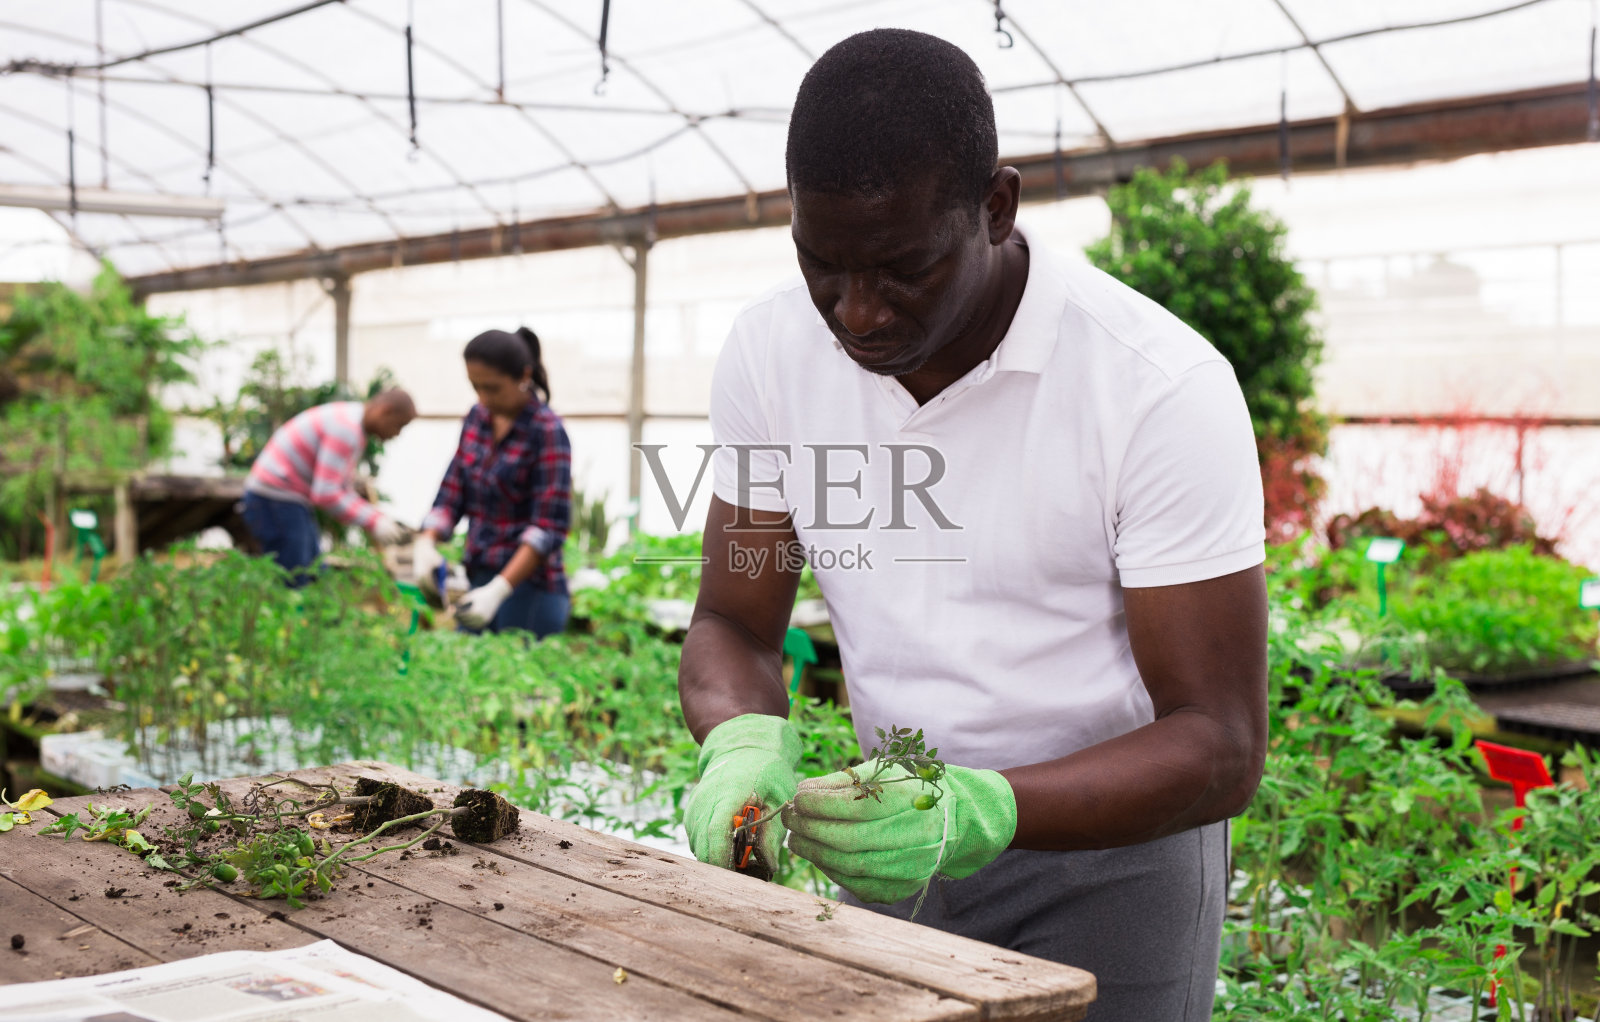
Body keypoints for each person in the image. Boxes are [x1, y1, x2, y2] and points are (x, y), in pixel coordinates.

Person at [677, 29, 1268, 1022]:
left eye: (902, 268)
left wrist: (984, 806)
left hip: (1110, 858)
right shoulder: (772, 352)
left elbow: (1218, 739)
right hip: (887, 846)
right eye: (823, 265)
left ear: (995, 206)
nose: (857, 314)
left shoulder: (1154, 387)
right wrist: (739, 742)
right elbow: (734, 617)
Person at [415, 328, 572, 636]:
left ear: (524, 375)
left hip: (529, 588)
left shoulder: (547, 431)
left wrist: (499, 589)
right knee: (471, 675)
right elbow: (453, 491)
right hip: (479, 576)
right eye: (476, 387)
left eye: (493, 388)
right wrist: (426, 542)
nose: (483, 398)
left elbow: (547, 528)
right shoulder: (476, 419)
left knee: (516, 679)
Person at [242, 389, 415, 585]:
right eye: (399, 426)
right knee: (295, 579)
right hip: (274, 497)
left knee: (316, 573)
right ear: (386, 411)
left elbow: (339, 488)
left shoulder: (353, 424)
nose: (396, 434)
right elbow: (325, 494)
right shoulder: (346, 429)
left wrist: (377, 518)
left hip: (288, 498)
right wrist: (374, 522)